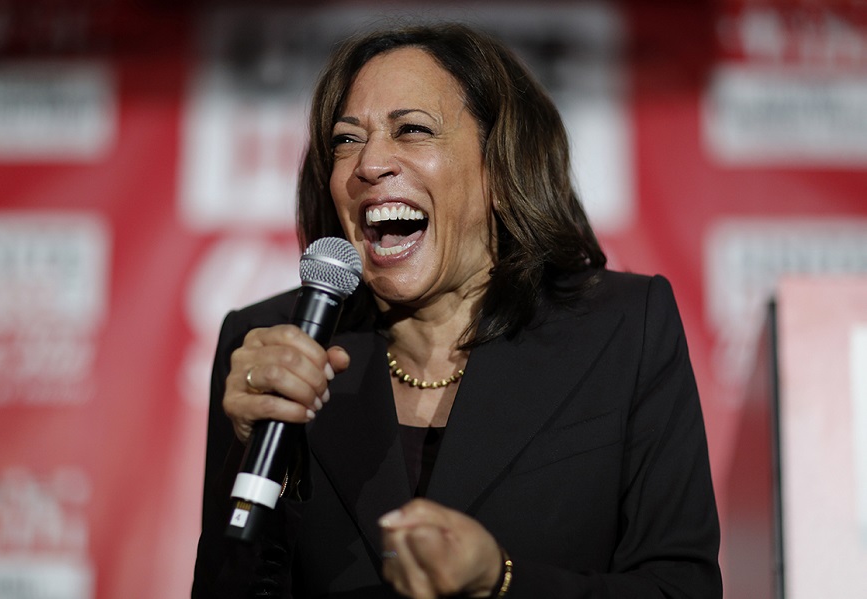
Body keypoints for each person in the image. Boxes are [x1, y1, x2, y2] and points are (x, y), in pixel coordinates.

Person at [192, 22, 721, 599]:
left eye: (412, 130)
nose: (369, 164)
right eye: (346, 140)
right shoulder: (273, 344)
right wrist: (252, 455)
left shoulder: (624, 329)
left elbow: (680, 587)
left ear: (500, 166)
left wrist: (500, 581)